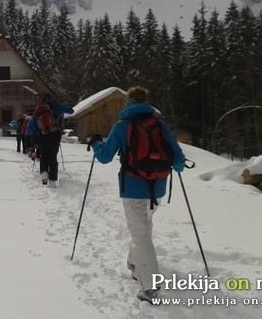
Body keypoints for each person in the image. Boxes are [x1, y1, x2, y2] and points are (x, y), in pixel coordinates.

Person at [89, 86, 185, 304]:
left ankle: (150, 287)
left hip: (133, 189)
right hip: (158, 188)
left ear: (128, 103)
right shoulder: (160, 125)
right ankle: (134, 264)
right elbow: (178, 160)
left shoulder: (122, 126)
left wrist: (95, 143)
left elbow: (104, 157)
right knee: (144, 227)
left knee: (141, 233)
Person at [35, 95, 74, 187]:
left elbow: (34, 124)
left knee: (44, 155)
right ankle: (52, 179)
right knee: (52, 156)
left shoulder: (39, 110)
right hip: (55, 134)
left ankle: (44, 175)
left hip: (43, 134)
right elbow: (71, 111)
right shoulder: (56, 106)